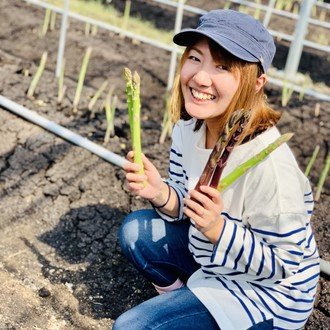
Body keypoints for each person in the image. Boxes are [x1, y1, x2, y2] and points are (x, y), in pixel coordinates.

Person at [113, 9, 320, 330]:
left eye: (222, 66)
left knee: (132, 327)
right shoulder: (190, 128)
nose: (199, 77)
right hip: (213, 258)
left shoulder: (270, 165)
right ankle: (182, 304)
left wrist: (218, 230)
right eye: (195, 58)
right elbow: (186, 206)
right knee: (135, 230)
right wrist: (159, 192)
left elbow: (283, 266)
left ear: (256, 83)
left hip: (267, 297)